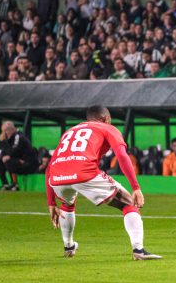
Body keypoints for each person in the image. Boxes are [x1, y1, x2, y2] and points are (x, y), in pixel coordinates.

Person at [45, 105, 161, 260]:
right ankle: (138, 250)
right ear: (107, 119)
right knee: (128, 203)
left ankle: (69, 247)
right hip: (84, 172)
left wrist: (51, 203)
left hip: (56, 176)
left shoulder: (70, 131)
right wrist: (135, 187)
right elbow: (121, 155)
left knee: (67, 205)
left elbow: (49, 166)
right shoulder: (107, 128)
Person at [0, 121, 38, 191]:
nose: (3, 134)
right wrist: (4, 156)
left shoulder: (18, 136)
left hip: (27, 164)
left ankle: (15, 184)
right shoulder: (9, 140)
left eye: (4, 131)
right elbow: (3, 153)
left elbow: (15, 151)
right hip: (18, 161)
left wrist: (4, 143)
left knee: (9, 161)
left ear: (10, 130)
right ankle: (5, 184)